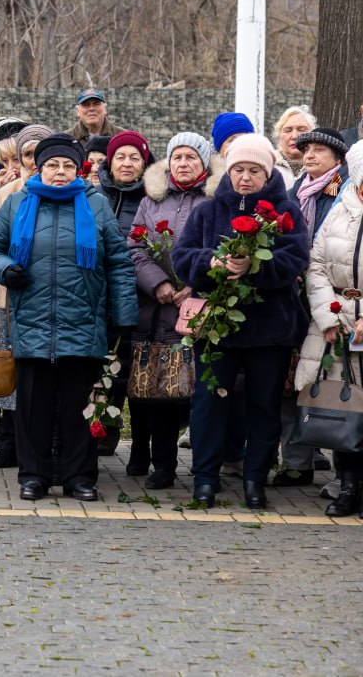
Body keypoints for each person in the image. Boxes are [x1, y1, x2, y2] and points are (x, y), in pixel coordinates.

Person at [0, 133, 137, 502]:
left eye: (68, 166)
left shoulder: (95, 205)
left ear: (78, 169)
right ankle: (33, 475)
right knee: (32, 407)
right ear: (40, 167)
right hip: (32, 322)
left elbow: (118, 261)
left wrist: (125, 315)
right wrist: (5, 268)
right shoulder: (18, 202)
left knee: (76, 407)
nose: (60, 172)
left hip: (82, 321)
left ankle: (79, 477)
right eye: (52, 165)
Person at [171, 133, 310, 509]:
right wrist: (211, 263)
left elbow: (295, 258)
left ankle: (255, 479)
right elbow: (181, 256)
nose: (245, 177)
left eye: (253, 170)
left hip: (269, 328)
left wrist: (256, 265)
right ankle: (205, 478)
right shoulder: (208, 210)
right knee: (209, 401)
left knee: (263, 405)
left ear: (267, 173)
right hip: (217, 328)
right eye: (238, 169)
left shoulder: (286, 212)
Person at [126, 132, 221, 488]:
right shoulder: (152, 200)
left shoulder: (214, 200)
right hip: (156, 306)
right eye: (177, 158)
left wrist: (192, 286)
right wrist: (159, 284)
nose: (183, 164)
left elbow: (222, 246)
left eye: (191, 158)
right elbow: (135, 245)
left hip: (200, 305)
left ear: (203, 163)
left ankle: (207, 468)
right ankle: (163, 465)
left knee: (200, 388)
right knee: (159, 390)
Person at [0, 123, 53, 469]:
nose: (34, 161)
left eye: (40, 154)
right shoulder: (10, 194)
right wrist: (6, 266)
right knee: (11, 372)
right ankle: (8, 441)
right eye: (28, 154)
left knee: (46, 377)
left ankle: (45, 445)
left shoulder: (78, 194)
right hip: (12, 299)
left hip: (54, 303)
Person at [273, 127, 349, 487]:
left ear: (338, 159)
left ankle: (342, 469)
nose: (310, 155)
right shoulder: (293, 192)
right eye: (306, 150)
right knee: (293, 382)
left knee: (339, 384)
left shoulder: (344, 195)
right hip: (293, 301)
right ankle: (296, 463)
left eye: (319, 150)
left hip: (333, 303)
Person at [298, 141, 363, 515]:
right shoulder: (340, 211)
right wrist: (329, 315)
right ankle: (349, 487)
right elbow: (317, 265)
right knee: (345, 410)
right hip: (338, 322)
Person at [92, 130, 154, 454]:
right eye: (120, 156)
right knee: (105, 367)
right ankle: (103, 430)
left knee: (137, 370)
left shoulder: (154, 198)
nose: (127, 163)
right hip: (102, 299)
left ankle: (142, 446)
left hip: (144, 298)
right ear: (109, 162)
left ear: (145, 163)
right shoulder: (94, 196)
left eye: (134, 157)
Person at [271, 105, 315, 183]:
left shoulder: (324, 166)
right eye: (288, 130)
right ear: (279, 136)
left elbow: (334, 192)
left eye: (301, 130)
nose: (294, 136)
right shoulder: (267, 164)